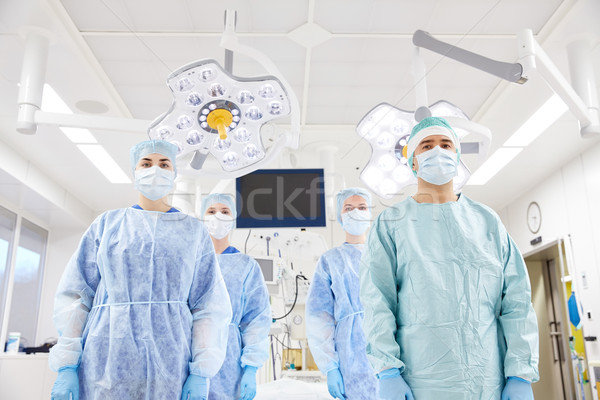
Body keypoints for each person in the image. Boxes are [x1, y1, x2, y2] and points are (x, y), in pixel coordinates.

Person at [359, 117, 539, 400]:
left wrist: (520, 374)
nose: (437, 151)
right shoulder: (391, 224)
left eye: (445, 145)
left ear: (456, 156)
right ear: (412, 162)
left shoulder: (487, 221)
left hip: (486, 380)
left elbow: (516, 302)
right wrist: (387, 370)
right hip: (422, 381)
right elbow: (377, 302)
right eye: (426, 146)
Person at [49, 139, 232, 400]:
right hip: (105, 360)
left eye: (164, 164)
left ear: (174, 173)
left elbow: (207, 305)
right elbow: (77, 296)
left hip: (171, 363)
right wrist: (67, 362)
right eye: (146, 163)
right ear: (135, 171)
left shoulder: (193, 232)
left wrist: (202, 371)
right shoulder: (107, 225)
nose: (155, 169)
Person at [306, 187, 379, 400]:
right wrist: (330, 367)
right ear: (340, 216)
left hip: (388, 352)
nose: (356, 212)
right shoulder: (331, 260)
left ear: (370, 212)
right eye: (349, 208)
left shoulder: (384, 255)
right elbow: (319, 317)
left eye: (362, 207)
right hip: (351, 356)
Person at [201, 193, 272, 400]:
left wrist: (250, 368)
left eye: (225, 212)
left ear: (233, 219)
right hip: (189, 360)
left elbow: (256, 319)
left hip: (230, 364)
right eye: (211, 211)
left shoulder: (246, 266)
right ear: (202, 217)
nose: (218, 216)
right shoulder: (193, 262)